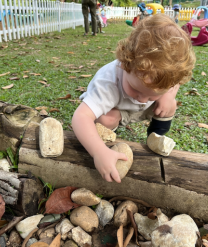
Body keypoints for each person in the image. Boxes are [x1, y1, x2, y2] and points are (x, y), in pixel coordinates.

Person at [72, 14, 195, 183]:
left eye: (153, 94)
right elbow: (80, 117)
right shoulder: (107, 83)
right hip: (117, 109)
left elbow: (175, 83)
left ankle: (155, 139)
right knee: (106, 119)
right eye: (136, 89)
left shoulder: (165, 77)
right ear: (125, 64)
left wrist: (167, 96)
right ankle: (107, 143)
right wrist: (98, 152)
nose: (143, 100)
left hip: (140, 111)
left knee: (170, 104)